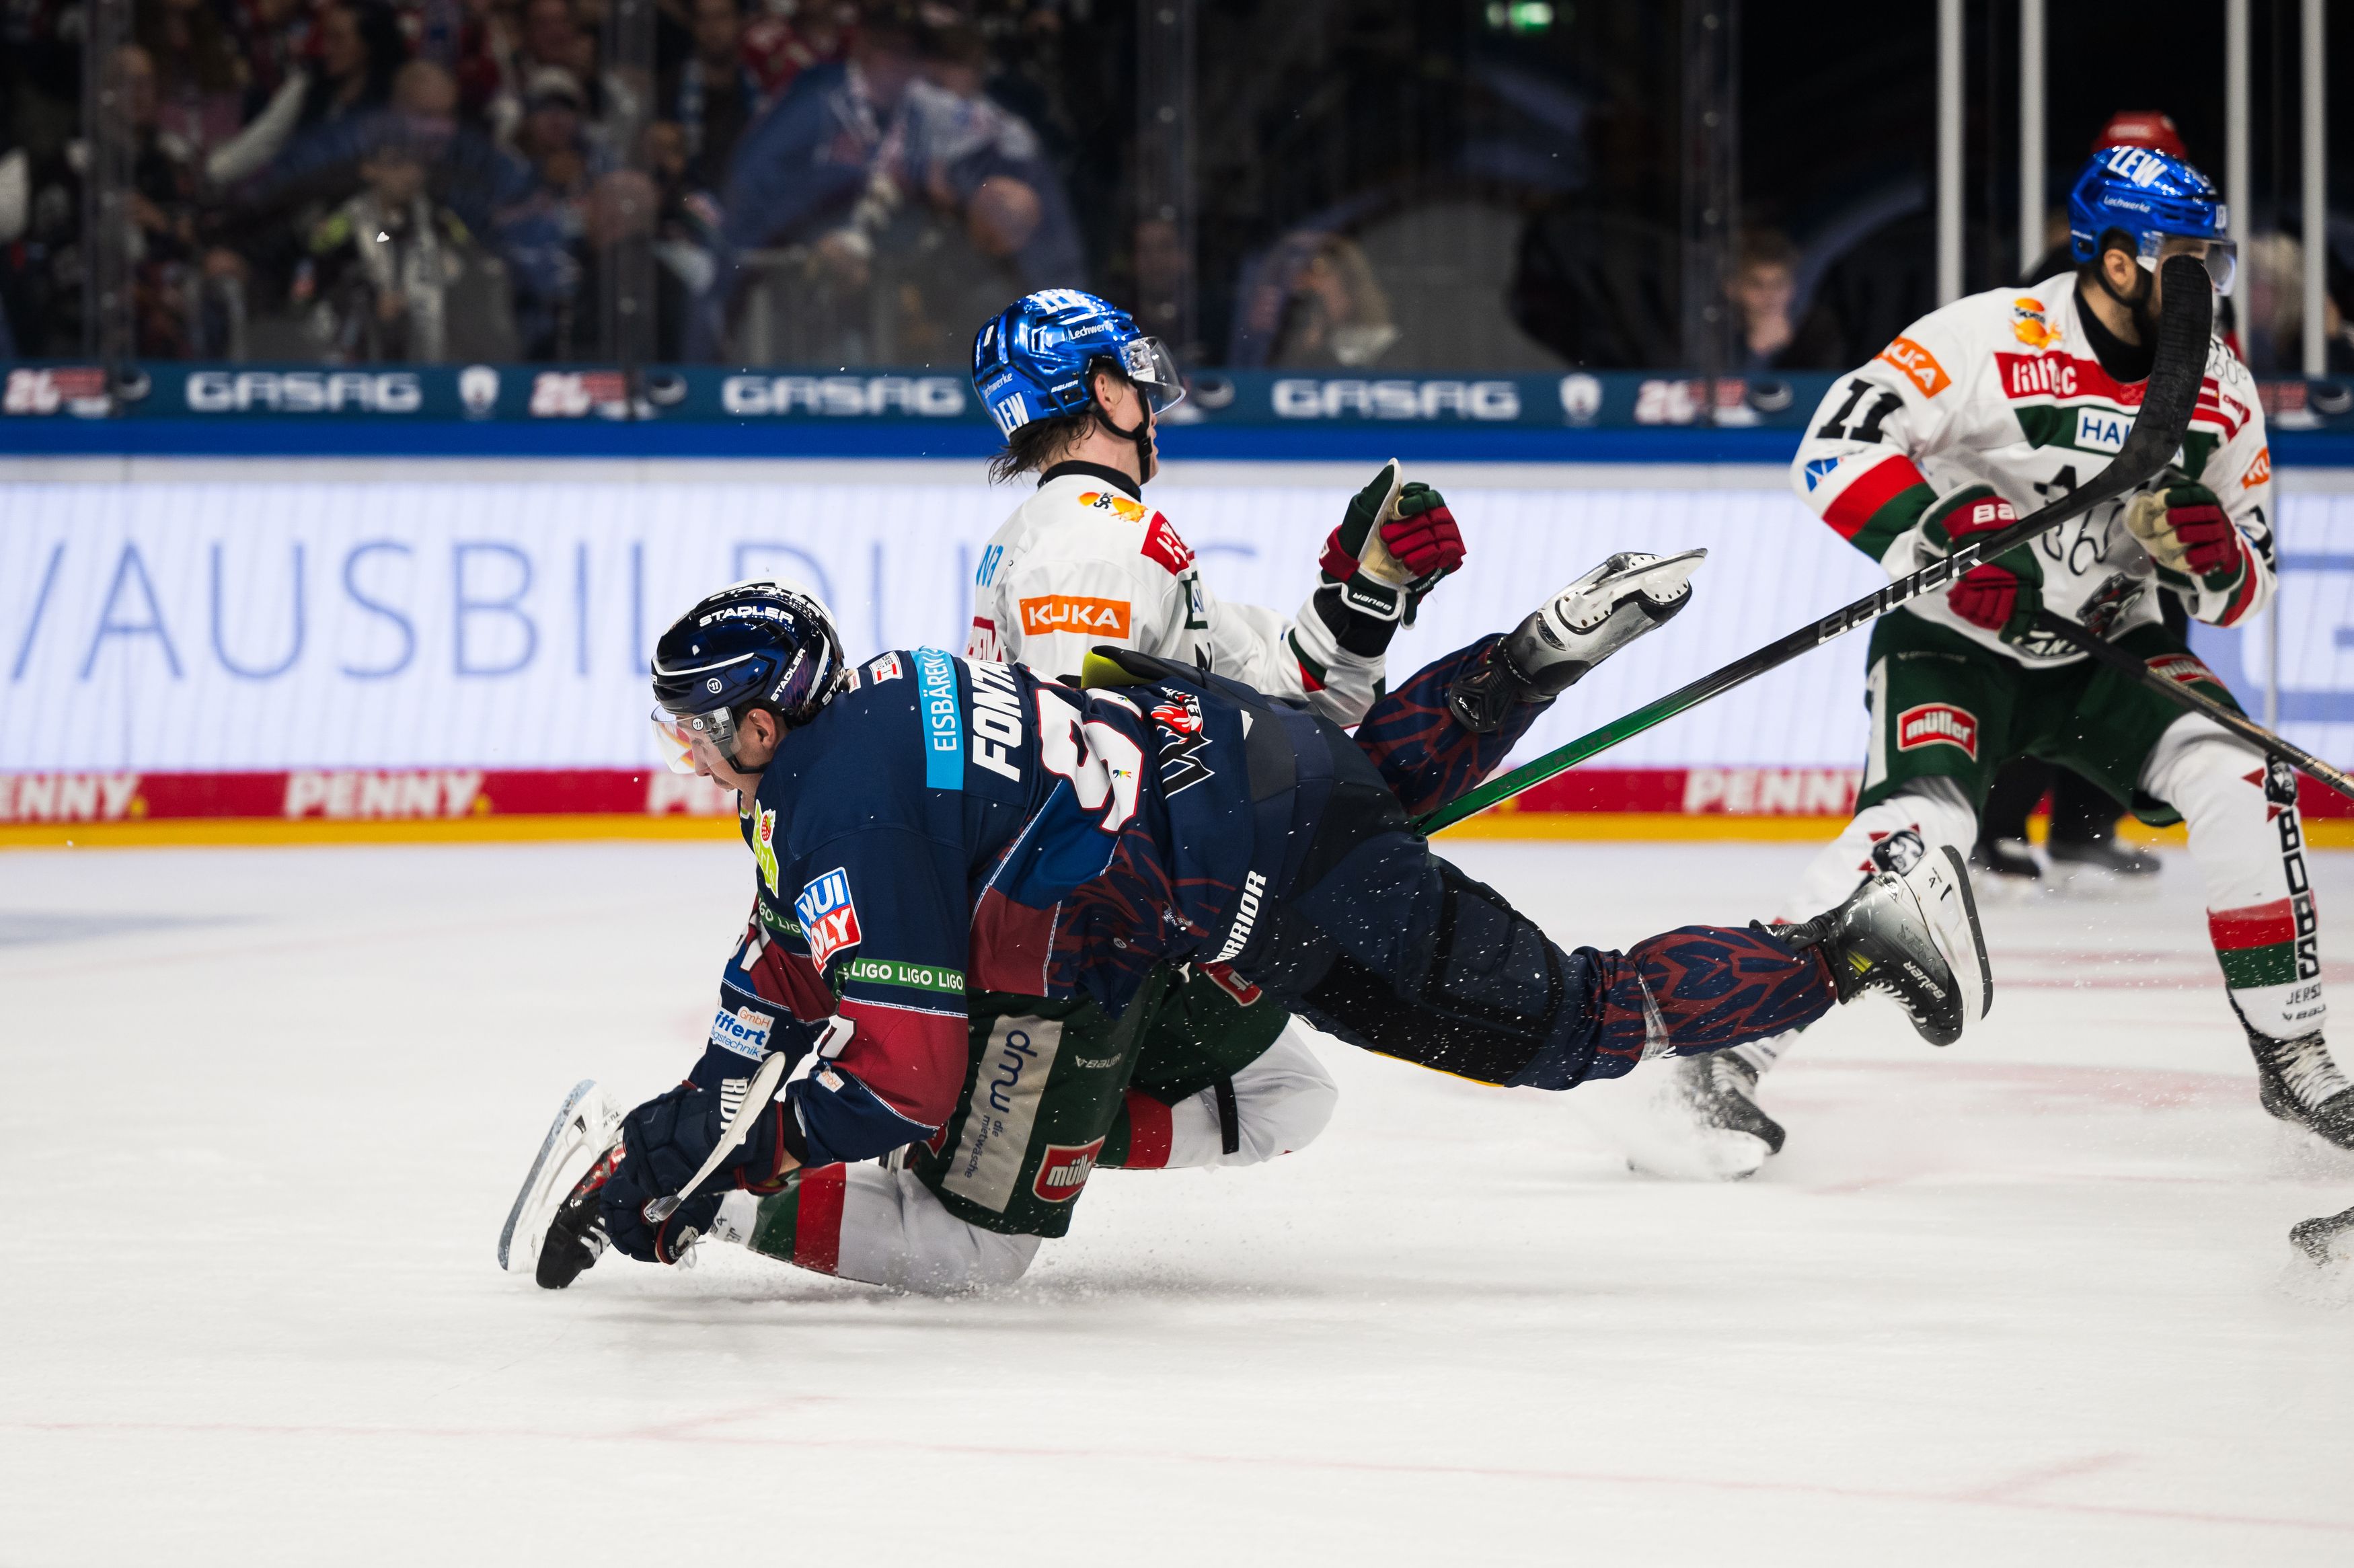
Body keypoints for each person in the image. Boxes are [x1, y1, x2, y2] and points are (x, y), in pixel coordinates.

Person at [517, 550, 1987, 1290]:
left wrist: (717, 1167)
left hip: (1265, 883)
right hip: (1235, 759)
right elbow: (783, 962)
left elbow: (900, 1065)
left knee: (1569, 1027)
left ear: (762, 717)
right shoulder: (882, 704)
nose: (682, 748)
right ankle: (1528, 655)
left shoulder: (837, 800)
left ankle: (1857, 938)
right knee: (1359, 809)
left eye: (696, 724)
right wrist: (661, 1145)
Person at [1628, 143, 2354, 1181]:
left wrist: (2209, 551)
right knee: (1913, 841)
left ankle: (2297, 1059)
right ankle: (1725, 1053)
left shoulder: (2223, 390)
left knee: (2245, 775)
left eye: (2214, 261)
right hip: (1951, 647)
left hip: (2109, 648)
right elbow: (1833, 447)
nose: (2204, 284)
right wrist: (1940, 534)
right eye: (2183, 259)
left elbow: (2249, 583)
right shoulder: (1989, 335)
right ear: (2114, 260)